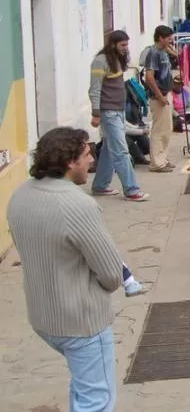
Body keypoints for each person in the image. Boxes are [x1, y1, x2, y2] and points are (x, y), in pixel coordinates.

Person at [8, 127, 126, 412]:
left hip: (44, 317)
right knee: (97, 400)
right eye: (87, 154)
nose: (92, 161)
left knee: (83, 387)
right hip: (81, 321)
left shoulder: (20, 195)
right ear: (70, 162)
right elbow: (112, 274)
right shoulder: (77, 205)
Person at [89, 30, 149, 202]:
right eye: (122, 45)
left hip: (118, 110)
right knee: (121, 151)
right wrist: (96, 114)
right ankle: (132, 190)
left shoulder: (117, 59)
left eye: (127, 45)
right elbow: (95, 89)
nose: (125, 48)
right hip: (108, 112)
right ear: (113, 44)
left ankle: (100, 185)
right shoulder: (100, 61)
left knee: (109, 149)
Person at [143, 25, 176, 173]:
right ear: (160, 38)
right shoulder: (153, 53)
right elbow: (149, 76)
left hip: (166, 93)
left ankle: (163, 158)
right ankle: (156, 162)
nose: (171, 40)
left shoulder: (163, 51)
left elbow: (178, 55)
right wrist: (159, 96)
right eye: (168, 38)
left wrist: (171, 49)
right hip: (159, 96)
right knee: (159, 130)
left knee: (166, 129)